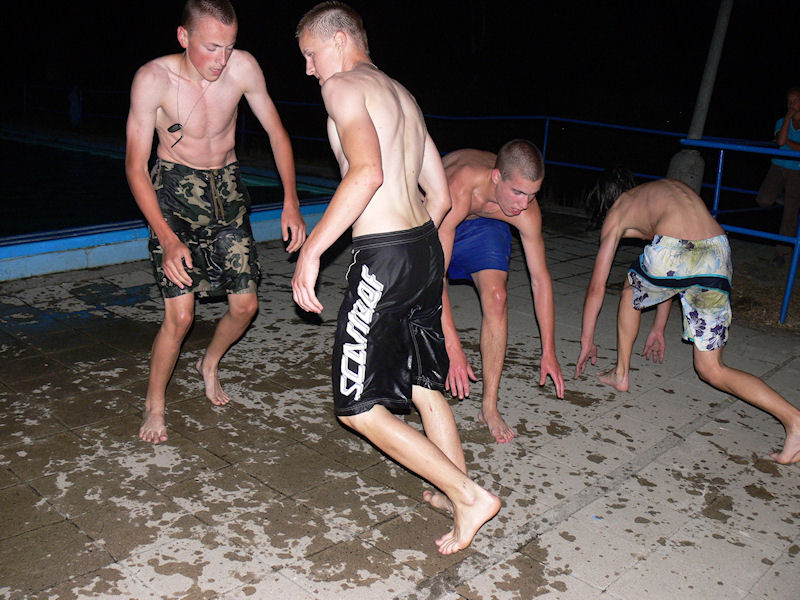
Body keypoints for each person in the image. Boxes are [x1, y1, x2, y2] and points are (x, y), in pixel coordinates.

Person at [292, 1, 500, 554]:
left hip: (386, 257)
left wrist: (313, 250)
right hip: (423, 248)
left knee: (357, 407)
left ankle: (469, 496)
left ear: (338, 40)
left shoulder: (343, 87)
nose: (309, 69)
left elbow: (367, 172)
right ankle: (453, 494)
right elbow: (441, 194)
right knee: (424, 384)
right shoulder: (402, 95)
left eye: (311, 55)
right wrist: (412, 247)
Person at [125, 0, 306, 444]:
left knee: (246, 305)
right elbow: (134, 166)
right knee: (181, 315)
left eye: (229, 46)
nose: (221, 59)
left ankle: (209, 362)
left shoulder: (243, 68)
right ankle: (155, 403)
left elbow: (277, 133)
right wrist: (167, 238)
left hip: (227, 193)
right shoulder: (153, 79)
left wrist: (291, 200)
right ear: (183, 37)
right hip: (173, 195)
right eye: (211, 47)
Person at [575, 168, 800, 465]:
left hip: (673, 251)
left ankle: (621, 373)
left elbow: (598, 287)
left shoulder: (619, 209)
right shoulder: (667, 192)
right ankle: (794, 420)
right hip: (717, 251)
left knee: (632, 286)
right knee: (712, 369)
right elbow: (674, 272)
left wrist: (586, 341)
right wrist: (658, 328)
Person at [438, 143, 565, 443]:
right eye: (518, 193)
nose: (524, 204)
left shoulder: (525, 209)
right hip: (440, 217)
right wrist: (453, 348)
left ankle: (489, 407)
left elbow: (540, 279)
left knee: (498, 299)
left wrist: (549, 350)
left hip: (485, 224)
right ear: (496, 177)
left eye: (532, 195)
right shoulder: (457, 188)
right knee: (411, 293)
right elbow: (434, 277)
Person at [756, 86, 800, 267]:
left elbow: (786, 143)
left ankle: (781, 252)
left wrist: (787, 141)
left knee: (791, 213)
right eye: (789, 101)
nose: (792, 104)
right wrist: (788, 119)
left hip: (797, 171)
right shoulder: (782, 121)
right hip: (777, 166)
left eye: (796, 100)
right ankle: (779, 197)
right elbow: (781, 142)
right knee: (763, 200)